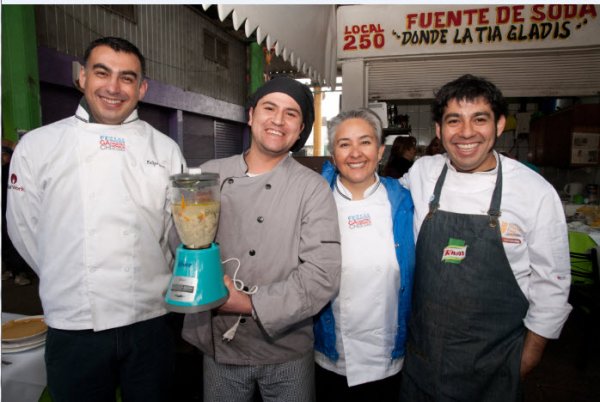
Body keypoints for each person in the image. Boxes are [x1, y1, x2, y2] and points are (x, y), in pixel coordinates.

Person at [6, 37, 186, 402]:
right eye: (102, 73)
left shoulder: (164, 149)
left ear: (142, 88)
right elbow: (24, 230)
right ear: (82, 77)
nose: (113, 87)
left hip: (150, 319)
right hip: (73, 323)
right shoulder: (39, 146)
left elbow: (175, 235)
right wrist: (66, 277)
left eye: (127, 78)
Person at [399, 74, 571, 401]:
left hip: (495, 369)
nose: (466, 132)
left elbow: (554, 282)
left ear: (499, 124)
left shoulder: (533, 191)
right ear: (438, 129)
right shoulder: (423, 173)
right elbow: (380, 198)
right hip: (423, 362)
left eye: (479, 119)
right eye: (454, 120)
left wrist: (528, 357)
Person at [181, 76, 341, 402]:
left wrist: (251, 303)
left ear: (301, 130)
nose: (278, 120)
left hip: (286, 347)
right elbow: (181, 239)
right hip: (220, 344)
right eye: (269, 108)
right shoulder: (212, 173)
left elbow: (322, 275)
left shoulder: (312, 188)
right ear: (251, 115)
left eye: (291, 114)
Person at [313, 109, 415, 401]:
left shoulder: (406, 202)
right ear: (333, 154)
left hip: (389, 358)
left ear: (381, 150)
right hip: (331, 356)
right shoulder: (314, 202)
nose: (355, 153)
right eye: (344, 144)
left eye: (365, 142)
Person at [2, 144, 34, 285]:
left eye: (4, 154)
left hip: (15, 212)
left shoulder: (13, 170)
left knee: (16, 241)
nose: (2, 157)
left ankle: (19, 273)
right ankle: (9, 270)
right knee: (5, 243)